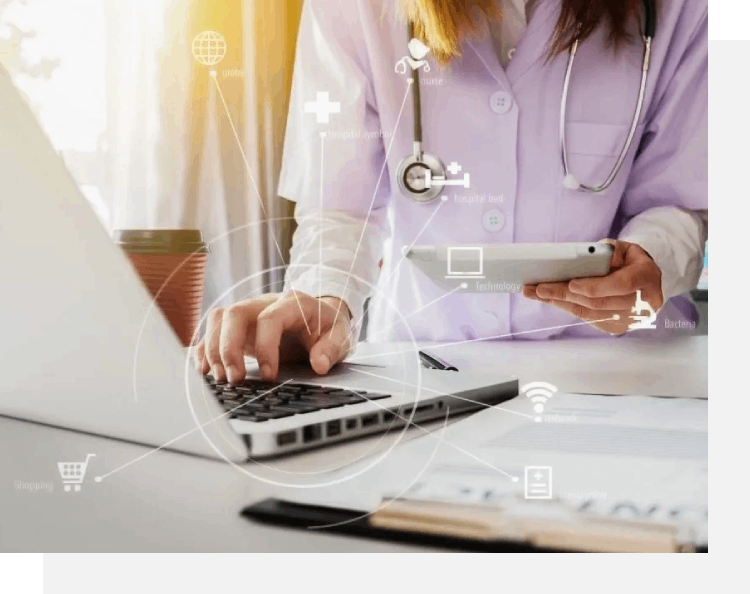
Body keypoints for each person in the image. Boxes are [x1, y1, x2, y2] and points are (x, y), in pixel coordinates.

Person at [194, 0, 708, 384]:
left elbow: (685, 195)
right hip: (428, 370)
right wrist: (324, 297)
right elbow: (341, 203)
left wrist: (655, 260)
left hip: (627, 377)